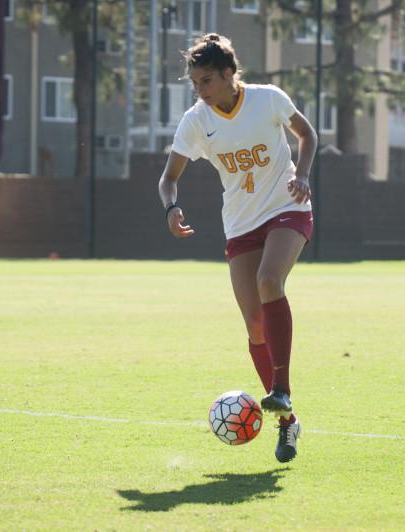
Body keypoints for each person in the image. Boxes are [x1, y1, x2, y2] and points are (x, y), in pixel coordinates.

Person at [157, 33, 317, 463]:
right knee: (254, 326)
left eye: (207, 80)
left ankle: (280, 389)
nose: (201, 91)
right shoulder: (195, 120)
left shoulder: (267, 100)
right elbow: (169, 176)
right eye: (195, 84)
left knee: (269, 281)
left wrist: (301, 175)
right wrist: (171, 206)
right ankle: (288, 423)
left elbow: (307, 134)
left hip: (287, 208)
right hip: (241, 225)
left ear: (230, 74)